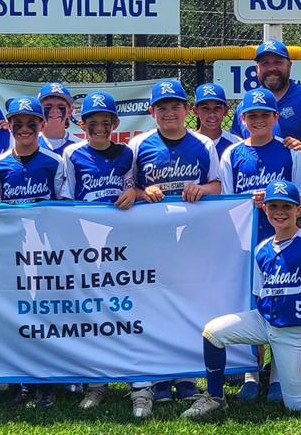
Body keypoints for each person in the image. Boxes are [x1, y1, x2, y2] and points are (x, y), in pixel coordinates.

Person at [180, 179, 301, 417]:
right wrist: (257, 345)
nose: (279, 212)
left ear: (298, 209)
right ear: (264, 209)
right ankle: (216, 397)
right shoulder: (262, 248)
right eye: (273, 206)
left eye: (287, 206)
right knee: (213, 332)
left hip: (295, 329)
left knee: (298, 405)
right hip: (263, 321)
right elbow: (260, 297)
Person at [125, 79, 221, 416]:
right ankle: (159, 377)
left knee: (188, 304)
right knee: (154, 304)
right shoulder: (138, 145)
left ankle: (185, 376)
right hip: (151, 239)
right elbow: (127, 190)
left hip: (191, 238)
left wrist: (204, 189)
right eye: (162, 107)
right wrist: (141, 193)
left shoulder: (202, 145)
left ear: (186, 110)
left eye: (175, 105)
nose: (169, 112)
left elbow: (218, 184)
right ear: (151, 111)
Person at [219, 87, 301, 401]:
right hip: (247, 243)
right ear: (242, 119)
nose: (258, 120)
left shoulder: (290, 152)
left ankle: (277, 373)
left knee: (282, 303)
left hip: (284, 242)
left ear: (276, 117)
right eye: (252, 115)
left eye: (265, 114)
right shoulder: (231, 154)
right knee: (252, 306)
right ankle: (251, 372)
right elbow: (224, 203)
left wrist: (273, 200)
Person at [56, 91, 136, 409]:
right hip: (86, 244)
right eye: (93, 122)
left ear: (115, 123)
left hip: (122, 244)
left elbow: (133, 190)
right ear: (82, 124)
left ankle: (136, 380)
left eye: (106, 122)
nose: (99, 128)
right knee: (90, 314)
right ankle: (96, 383)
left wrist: (135, 194)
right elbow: (66, 201)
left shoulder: (127, 153)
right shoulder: (73, 155)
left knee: (127, 310)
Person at [0, 96, 65, 411]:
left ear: (42, 125)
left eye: (31, 123)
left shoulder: (53, 162)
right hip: (13, 248)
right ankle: (23, 383)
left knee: (46, 315)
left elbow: (64, 207)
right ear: (9, 125)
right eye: (17, 123)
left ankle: (47, 385)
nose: (24, 128)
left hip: (45, 248)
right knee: (19, 315)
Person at [228, 38, 301, 240]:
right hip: (254, 214)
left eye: (278, 62)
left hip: (300, 211)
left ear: (289, 65)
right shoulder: (245, 108)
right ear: (257, 68)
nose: (271, 68)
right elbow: (236, 152)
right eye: (265, 63)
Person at [192, 82, 242, 159]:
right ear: (196, 111)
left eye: (217, 108)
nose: (212, 114)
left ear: (225, 111)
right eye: (205, 108)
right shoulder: (188, 143)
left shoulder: (236, 143)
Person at [37, 82, 80, 156]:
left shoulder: (79, 147)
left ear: (69, 111)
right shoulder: (30, 144)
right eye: (48, 105)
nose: (55, 110)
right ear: (39, 110)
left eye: (61, 106)